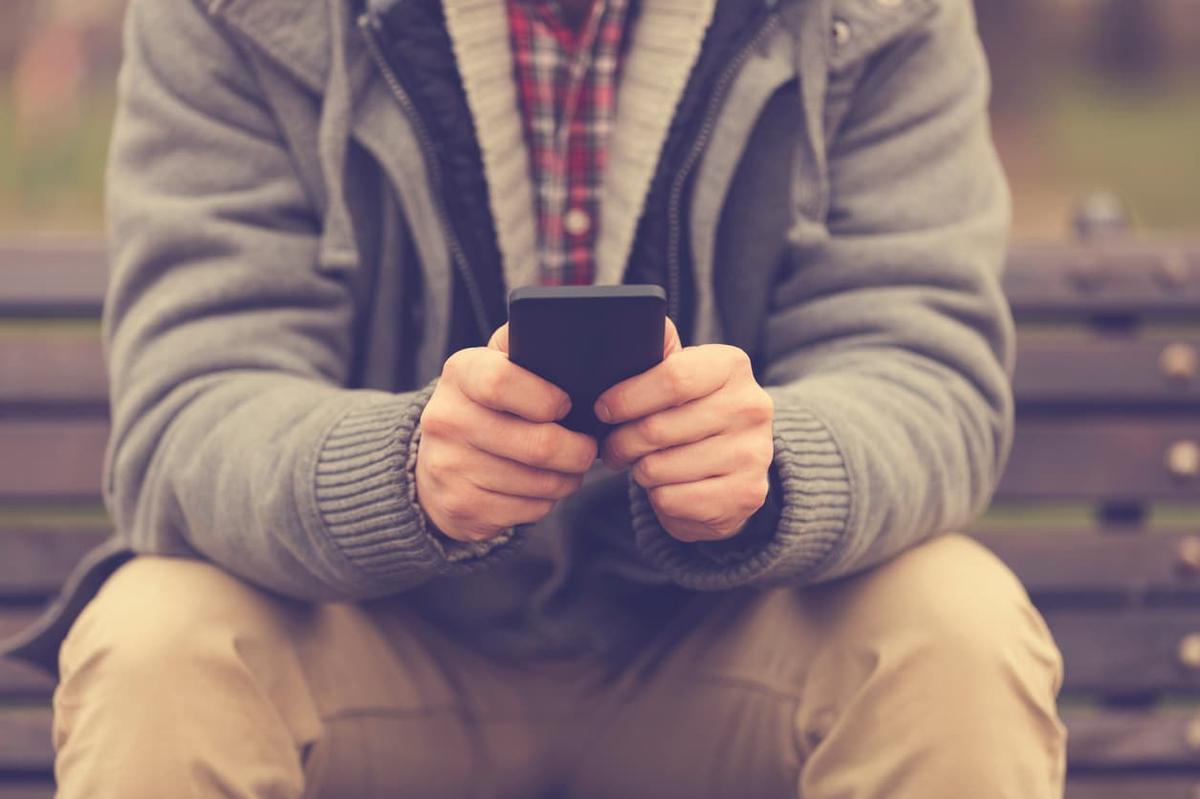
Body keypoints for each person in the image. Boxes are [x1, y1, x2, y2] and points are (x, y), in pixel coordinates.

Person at [7, 0, 1066, 795]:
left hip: (729, 646)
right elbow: (190, 406)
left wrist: (779, 465)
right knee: (157, 639)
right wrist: (401, 471)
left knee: (956, 627)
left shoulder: (877, 15)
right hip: (364, 639)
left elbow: (929, 371)